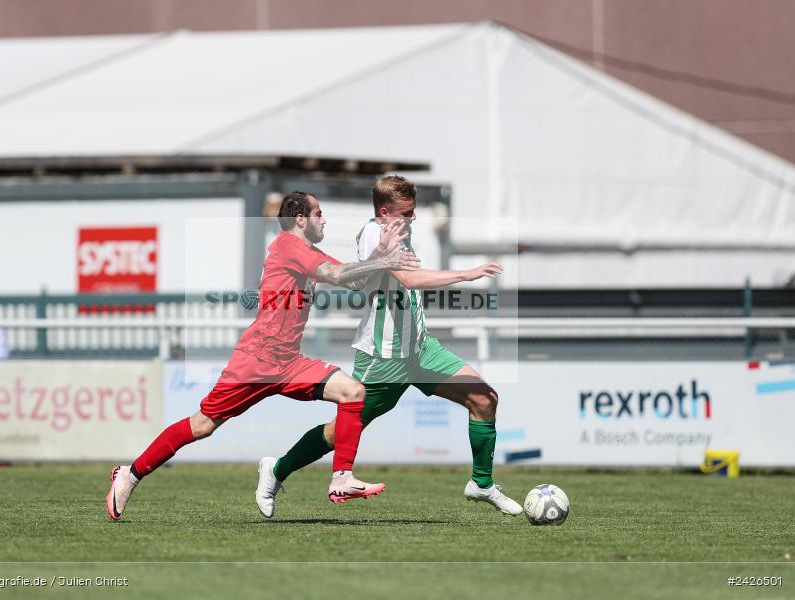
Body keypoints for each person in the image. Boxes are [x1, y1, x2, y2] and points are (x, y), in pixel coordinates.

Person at [105, 191, 420, 520]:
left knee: (353, 391)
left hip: (289, 362)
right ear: (300, 218)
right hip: (256, 362)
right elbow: (337, 275)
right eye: (318, 213)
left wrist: (380, 252)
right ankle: (129, 475)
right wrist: (383, 260)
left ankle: (341, 477)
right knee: (201, 426)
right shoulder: (289, 245)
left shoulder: (306, 251)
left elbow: (354, 282)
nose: (324, 219)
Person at [256, 175, 523, 518]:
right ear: (385, 212)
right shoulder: (373, 234)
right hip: (383, 358)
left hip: (421, 350)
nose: (414, 218)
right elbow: (410, 279)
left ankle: (481, 484)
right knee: (338, 434)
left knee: (484, 398)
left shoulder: (398, 232)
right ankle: (277, 469)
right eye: (407, 212)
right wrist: (467, 275)